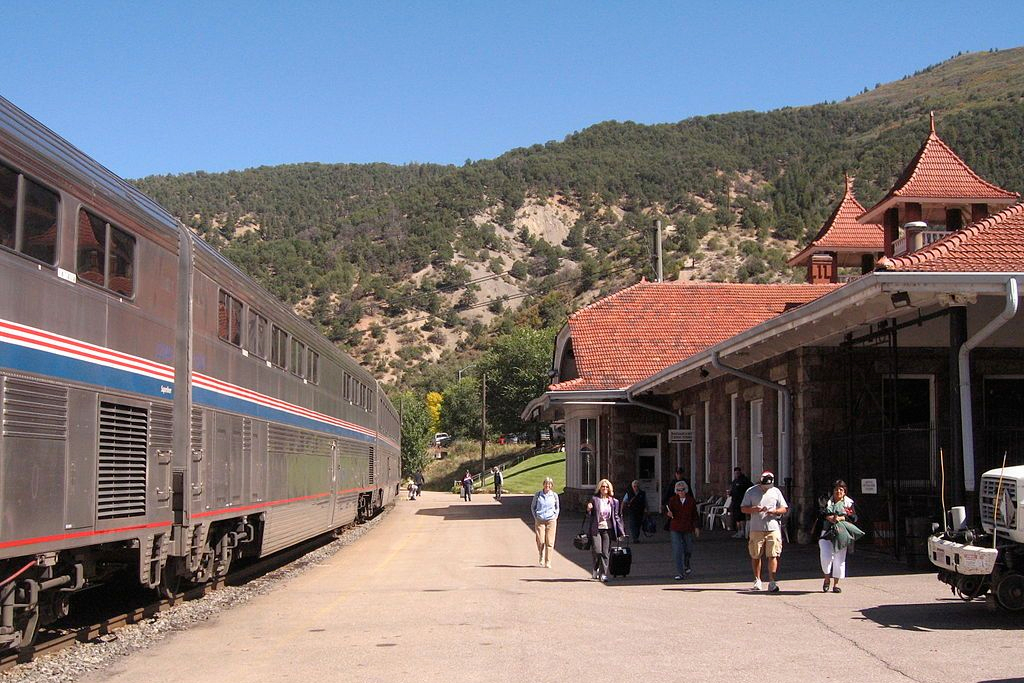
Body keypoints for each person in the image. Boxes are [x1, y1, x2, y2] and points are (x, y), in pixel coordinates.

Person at [740, 470, 788, 592]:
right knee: (756, 555)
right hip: (756, 527)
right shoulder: (751, 491)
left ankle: (772, 581)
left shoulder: (776, 491)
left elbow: (784, 508)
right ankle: (757, 579)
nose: (766, 488)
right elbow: (743, 508)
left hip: (773, 527)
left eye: (768, 486)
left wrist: (775, 511)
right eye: (764, 486)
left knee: (773, 554)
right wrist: (754, 509)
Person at [820, 480, 856, 593]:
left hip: (841, 534)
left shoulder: (849, 503)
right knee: (826, 557)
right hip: (827, 533)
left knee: (839, 559)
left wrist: (842, 518)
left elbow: (854, 517)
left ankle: (836, 584)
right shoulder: (827, 501)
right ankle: (826, 579)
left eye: (841, 489)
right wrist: (828, 518)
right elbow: (820, 513)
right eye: (836, 489)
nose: (838, 491)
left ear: (844, 492)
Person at [586, 479, 625, 582]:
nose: (605, 488)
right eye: (603, 486)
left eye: (607, 487)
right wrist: (589, 509)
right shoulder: (595, 499)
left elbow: (616, 517)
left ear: (609, 489)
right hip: (596, 529)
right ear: (600, 488)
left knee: (605, 552)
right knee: (597, 551)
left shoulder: (614, 501)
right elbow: (590, 515)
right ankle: (595, 568)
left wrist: (621, 531)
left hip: (608, 529)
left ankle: (603, 574)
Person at [665, 480, 700, 579]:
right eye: (678, 490)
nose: (681, 492)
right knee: (677, 550)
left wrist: (696, 527)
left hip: (687, 527)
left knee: (688, 548)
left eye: (682, 490)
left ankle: (687, 562)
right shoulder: (672, 500)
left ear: (686, 490)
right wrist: (668, 514)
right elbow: (667, 511)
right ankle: (680, 573)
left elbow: (695, 515)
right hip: (675, 527)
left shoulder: (691, 500)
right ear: (676, 491)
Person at [531, 476, 560, 568]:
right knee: (540, 540)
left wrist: (555, 516)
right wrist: (535, 517)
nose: (547, 485)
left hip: (551, 520)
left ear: (551, 485)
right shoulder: (538, 495)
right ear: (543, 485)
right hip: (540, 519)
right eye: (546, 484)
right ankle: (541, 554)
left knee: (550, 542)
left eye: (549, 484)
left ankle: (548, 561)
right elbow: (533, 506)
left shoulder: (554, 495)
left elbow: (557, 507)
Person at [728, 467, 752, 538]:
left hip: (741, 501)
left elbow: (749, 488)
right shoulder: (734, 481)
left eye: (738, 473)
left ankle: (743, 531)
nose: (736, 474)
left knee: (741, 517)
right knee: (737, 517)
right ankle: (739, 531)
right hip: (735, 501)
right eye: (735, 473)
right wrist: (730, 493)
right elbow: (733, 490)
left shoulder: (744, 480)